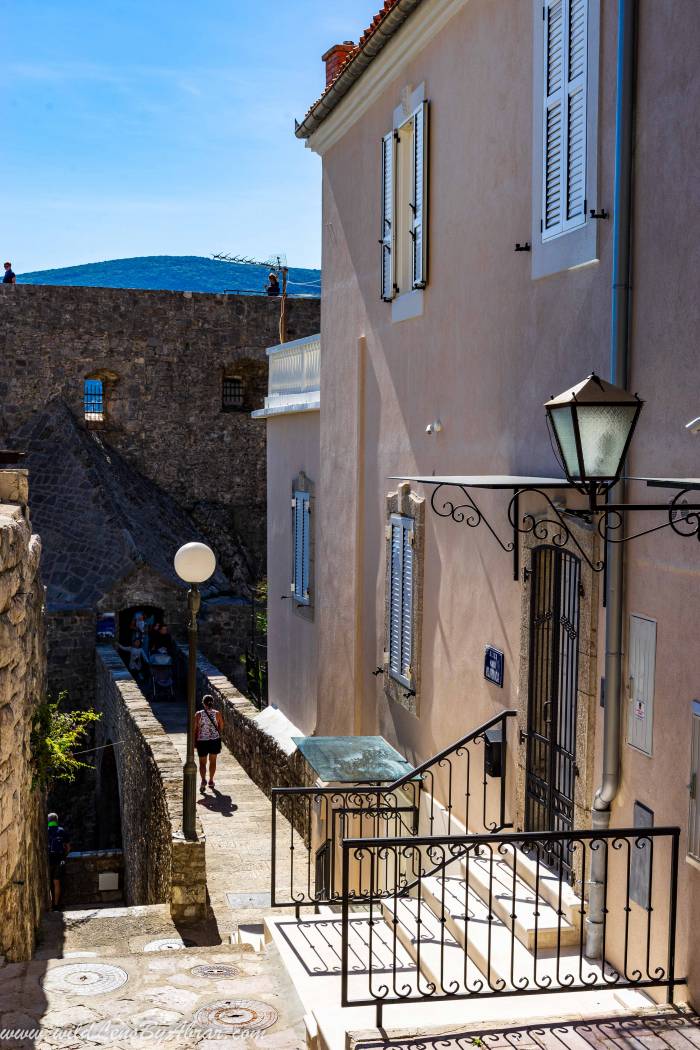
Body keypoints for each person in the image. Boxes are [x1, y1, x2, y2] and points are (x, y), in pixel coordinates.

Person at [195, 695, 223, 791]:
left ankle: (203, 780)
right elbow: (221, 726)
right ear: (212, 702)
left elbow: (195, 729)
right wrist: (215, 734)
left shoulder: (198, 714)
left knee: (202, 763)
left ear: (203, 703)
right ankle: (211, 780)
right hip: (214, 740)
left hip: (202, 740)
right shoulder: (217, 714)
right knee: (213, 761)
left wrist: (195, 741)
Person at [47, 812, 70, 909]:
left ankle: (49, 905)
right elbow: (68, 847)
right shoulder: (61, 831)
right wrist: (64, 856)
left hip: (49, 859)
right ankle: (56, 905)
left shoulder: (46, 831)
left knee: (48, 882)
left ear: (48, 821)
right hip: (59, 859)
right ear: (56, 820)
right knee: (57, 882)